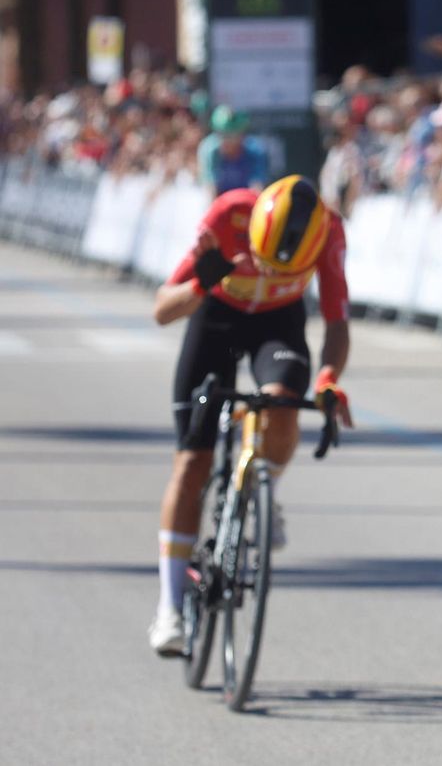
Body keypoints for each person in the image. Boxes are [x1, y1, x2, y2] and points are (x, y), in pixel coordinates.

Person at [146, 175, 354, 655]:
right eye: (259, 258)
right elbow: (162, 311)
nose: (263, 269)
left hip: (277, 326)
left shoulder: (328, 229)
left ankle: (264, 488)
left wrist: (328, 378)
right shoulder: (228, 214)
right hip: (216, 318)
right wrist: (202, 281)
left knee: (282, 403)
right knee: (192, 463)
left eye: (279, 268)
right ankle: (169, 608)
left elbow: (337, 321)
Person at [197, 106, 269, 196]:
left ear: (243, 134)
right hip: (220, 200)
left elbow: (257, 189)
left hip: (247, 199)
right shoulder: (209, 150)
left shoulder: (256, 151)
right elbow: (210, 190)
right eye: (223, 135)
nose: (229, 141)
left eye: (234, 135)